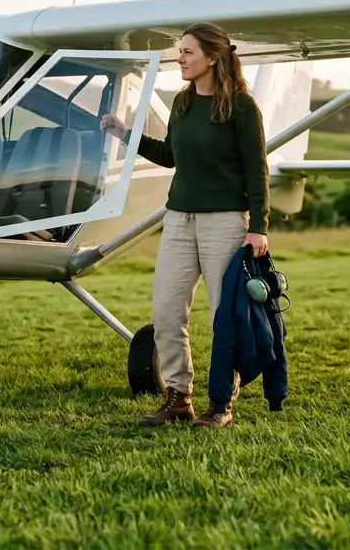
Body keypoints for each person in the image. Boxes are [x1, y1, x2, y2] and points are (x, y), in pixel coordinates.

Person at [99, 21, 269, 429]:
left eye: (188, 52)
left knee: (222, 317)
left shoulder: (242, 107)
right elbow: (170, 155)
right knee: (167, 310)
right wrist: (126, 134)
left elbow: (256, 170)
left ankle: (221, 404)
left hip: (226, 223)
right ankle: (178, 396)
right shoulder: (181, 103)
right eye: (180, 51)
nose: (181, 58)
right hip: (178, 218)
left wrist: (258, 226)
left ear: (212, 58)